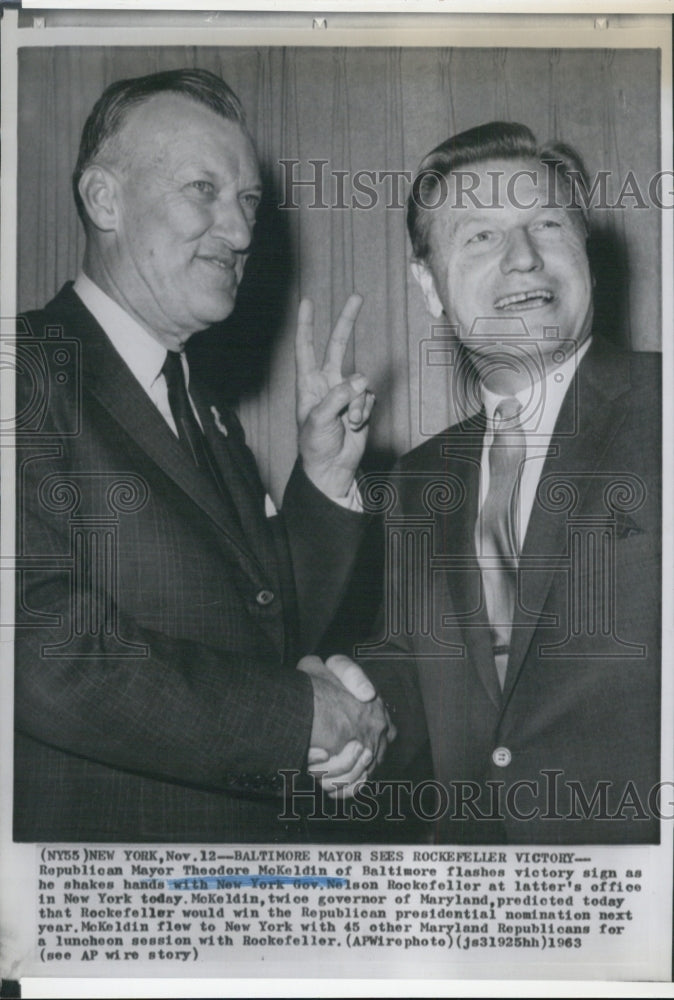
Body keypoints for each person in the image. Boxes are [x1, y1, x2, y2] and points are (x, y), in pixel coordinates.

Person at [13, 68, 396, 843]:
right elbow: (37, 650)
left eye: (248, 199)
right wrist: (301, 718)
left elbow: (269, 632)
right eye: (204, 190)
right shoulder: (23, 371)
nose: (242, 231)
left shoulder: (202, 409)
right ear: (104, 200)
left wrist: (323, 476)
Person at [319, 121, 661, 844]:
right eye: (480, 236)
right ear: (429, 285)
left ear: (586, 254)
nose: (525, 258)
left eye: (547, 223)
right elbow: (427, 677)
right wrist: (354, 695)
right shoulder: (416, 482)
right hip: (478, 909)